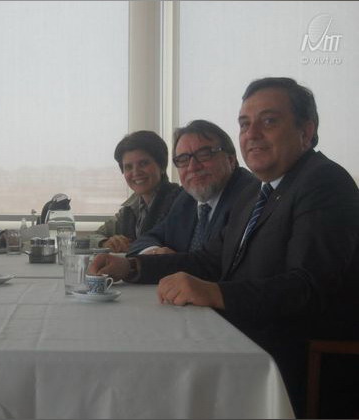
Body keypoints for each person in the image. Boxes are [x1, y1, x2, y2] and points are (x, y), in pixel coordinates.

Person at [90, 77, 359, 417]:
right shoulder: (258, 191)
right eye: (245, 124)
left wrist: (216, 293)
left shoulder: (323, 182)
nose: (252, 134)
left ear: (306, 131)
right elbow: (209, 260)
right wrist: (130, 267)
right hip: (243, 335)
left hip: (293, 359)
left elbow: (306, 288)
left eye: (269, 121)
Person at [127, 120, 257, 256]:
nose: (193, 167)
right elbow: (147, 238)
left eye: (204, 154)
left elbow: (214, 260)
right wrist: (155, 251)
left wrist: (167, 261)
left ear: (230, 159)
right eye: (183, 159)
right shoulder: (185, 199)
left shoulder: (249, 196)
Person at [94, 131, 181, 252]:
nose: (136, 172)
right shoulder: (131, 208)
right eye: (128, 167)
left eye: (143, 163)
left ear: (162, 166)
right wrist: (104, 242)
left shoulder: (180, 202)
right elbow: (93, 236)